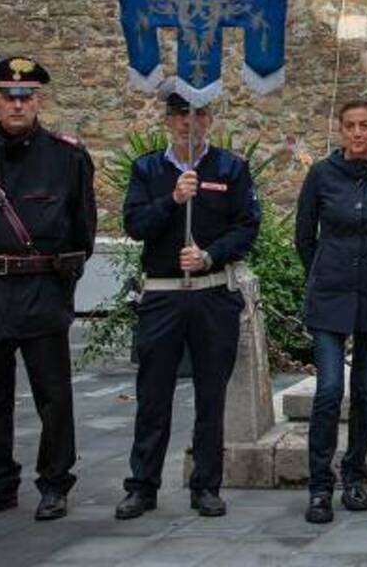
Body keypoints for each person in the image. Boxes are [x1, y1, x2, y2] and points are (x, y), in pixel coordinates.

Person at [0, 56, 96, 522]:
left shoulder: (68, 157)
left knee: (52, 396)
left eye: (26, 96)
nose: (17, 105)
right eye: (8, 97)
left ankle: (54, 484)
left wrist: (60, 283)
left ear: (39, 101)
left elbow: (83, 231)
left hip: (41, 291)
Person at [115, 89, 261, 520]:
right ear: (168, 121)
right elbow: (135, 224)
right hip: (162, 295)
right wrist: (172, 200)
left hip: (212, 293)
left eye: (197, 114)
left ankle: (206, 485)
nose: (188, 123)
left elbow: (246, 226)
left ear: (208, 120)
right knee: (153, 394)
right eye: (180, 115)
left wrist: (210, 255)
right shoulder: (147, 169)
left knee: (210, 395)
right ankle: (142, 485)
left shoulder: (231, 168)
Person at [295, 98, 367, 525]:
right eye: (350, 126)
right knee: (328, 390)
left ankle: (355, 476)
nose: (358, 133)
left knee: (364, 391)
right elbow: (304, 235)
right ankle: (319, 486)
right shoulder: (321, 174)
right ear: (341, 132)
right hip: (329, 295)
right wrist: (326, 270)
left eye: (365, 125)